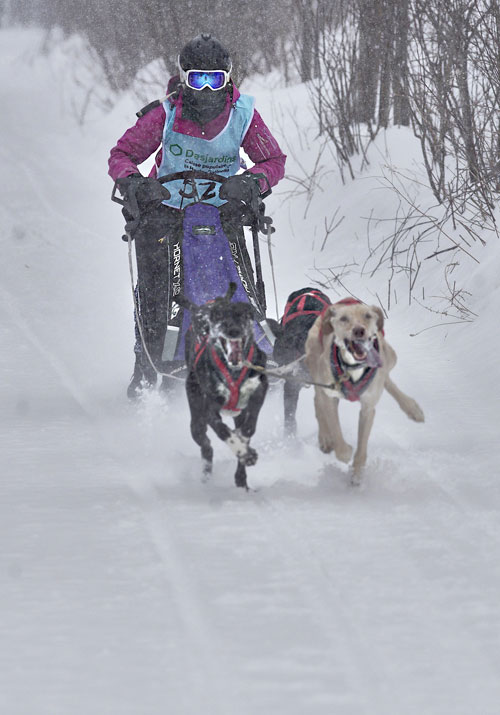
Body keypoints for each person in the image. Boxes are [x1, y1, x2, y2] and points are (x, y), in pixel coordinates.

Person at [108, 33, 286, 398]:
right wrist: (135, 184)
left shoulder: (243, 114)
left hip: (223, 211)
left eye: (214, 80)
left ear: (228, 78)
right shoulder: (165, 113)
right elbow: (122, 155)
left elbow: (273, 160)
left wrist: (252, 181)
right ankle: (148, 362)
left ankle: (252, 347)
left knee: (236, 282)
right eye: (197, 80)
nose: (206, 90)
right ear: (183, 78)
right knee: (156, 289)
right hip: (165, 211)